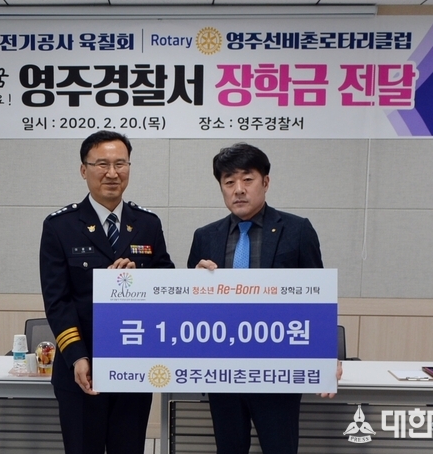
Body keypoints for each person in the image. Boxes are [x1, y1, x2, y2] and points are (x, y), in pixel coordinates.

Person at [187, 143, 340, 454]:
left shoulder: (296, 230)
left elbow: (318, 298)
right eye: (229, 182)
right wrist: (195, 283)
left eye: (248, 179)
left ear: (265, 182)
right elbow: (191, 307)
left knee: (280, 448)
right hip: (223, 369)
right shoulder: (206, 236)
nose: (238, 190)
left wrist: (327, 355)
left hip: (278, 368)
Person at [39, 130, 175, 454]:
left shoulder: (148, 223)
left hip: (133, 366)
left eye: (120, 164)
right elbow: (57, 300)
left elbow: (165, 284)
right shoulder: (60, 226)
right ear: (83, 170)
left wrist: (138, 278)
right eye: (102, 164)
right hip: (82, 368)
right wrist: (77, 356)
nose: (112, 173)